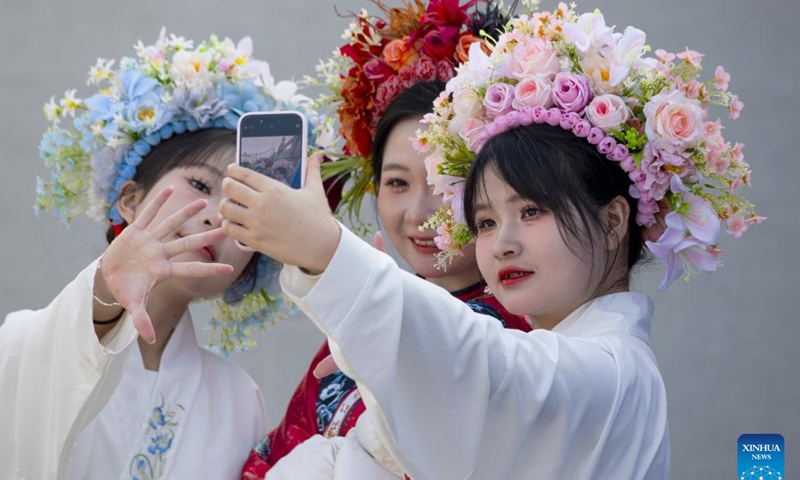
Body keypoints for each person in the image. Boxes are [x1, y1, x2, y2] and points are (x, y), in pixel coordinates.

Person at [221, 5, 761, 480]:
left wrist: (330, 255)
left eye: (532, 210)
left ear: (613, 219)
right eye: (483, 221)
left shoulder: (606, 368)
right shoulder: (578, 356)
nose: (502, 243)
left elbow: (480, 365)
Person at [0, 30, 323, 480]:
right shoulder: (23, 342)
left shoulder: (238, 398)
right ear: (130, 201)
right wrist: (107, 290)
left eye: (241, 205)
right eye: (200, 184)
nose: (216, 215)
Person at [240, 2, 527, 478]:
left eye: (444, 183)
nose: (418, 213)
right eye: (397, 182)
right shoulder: (360, 317)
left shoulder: (521, 332)